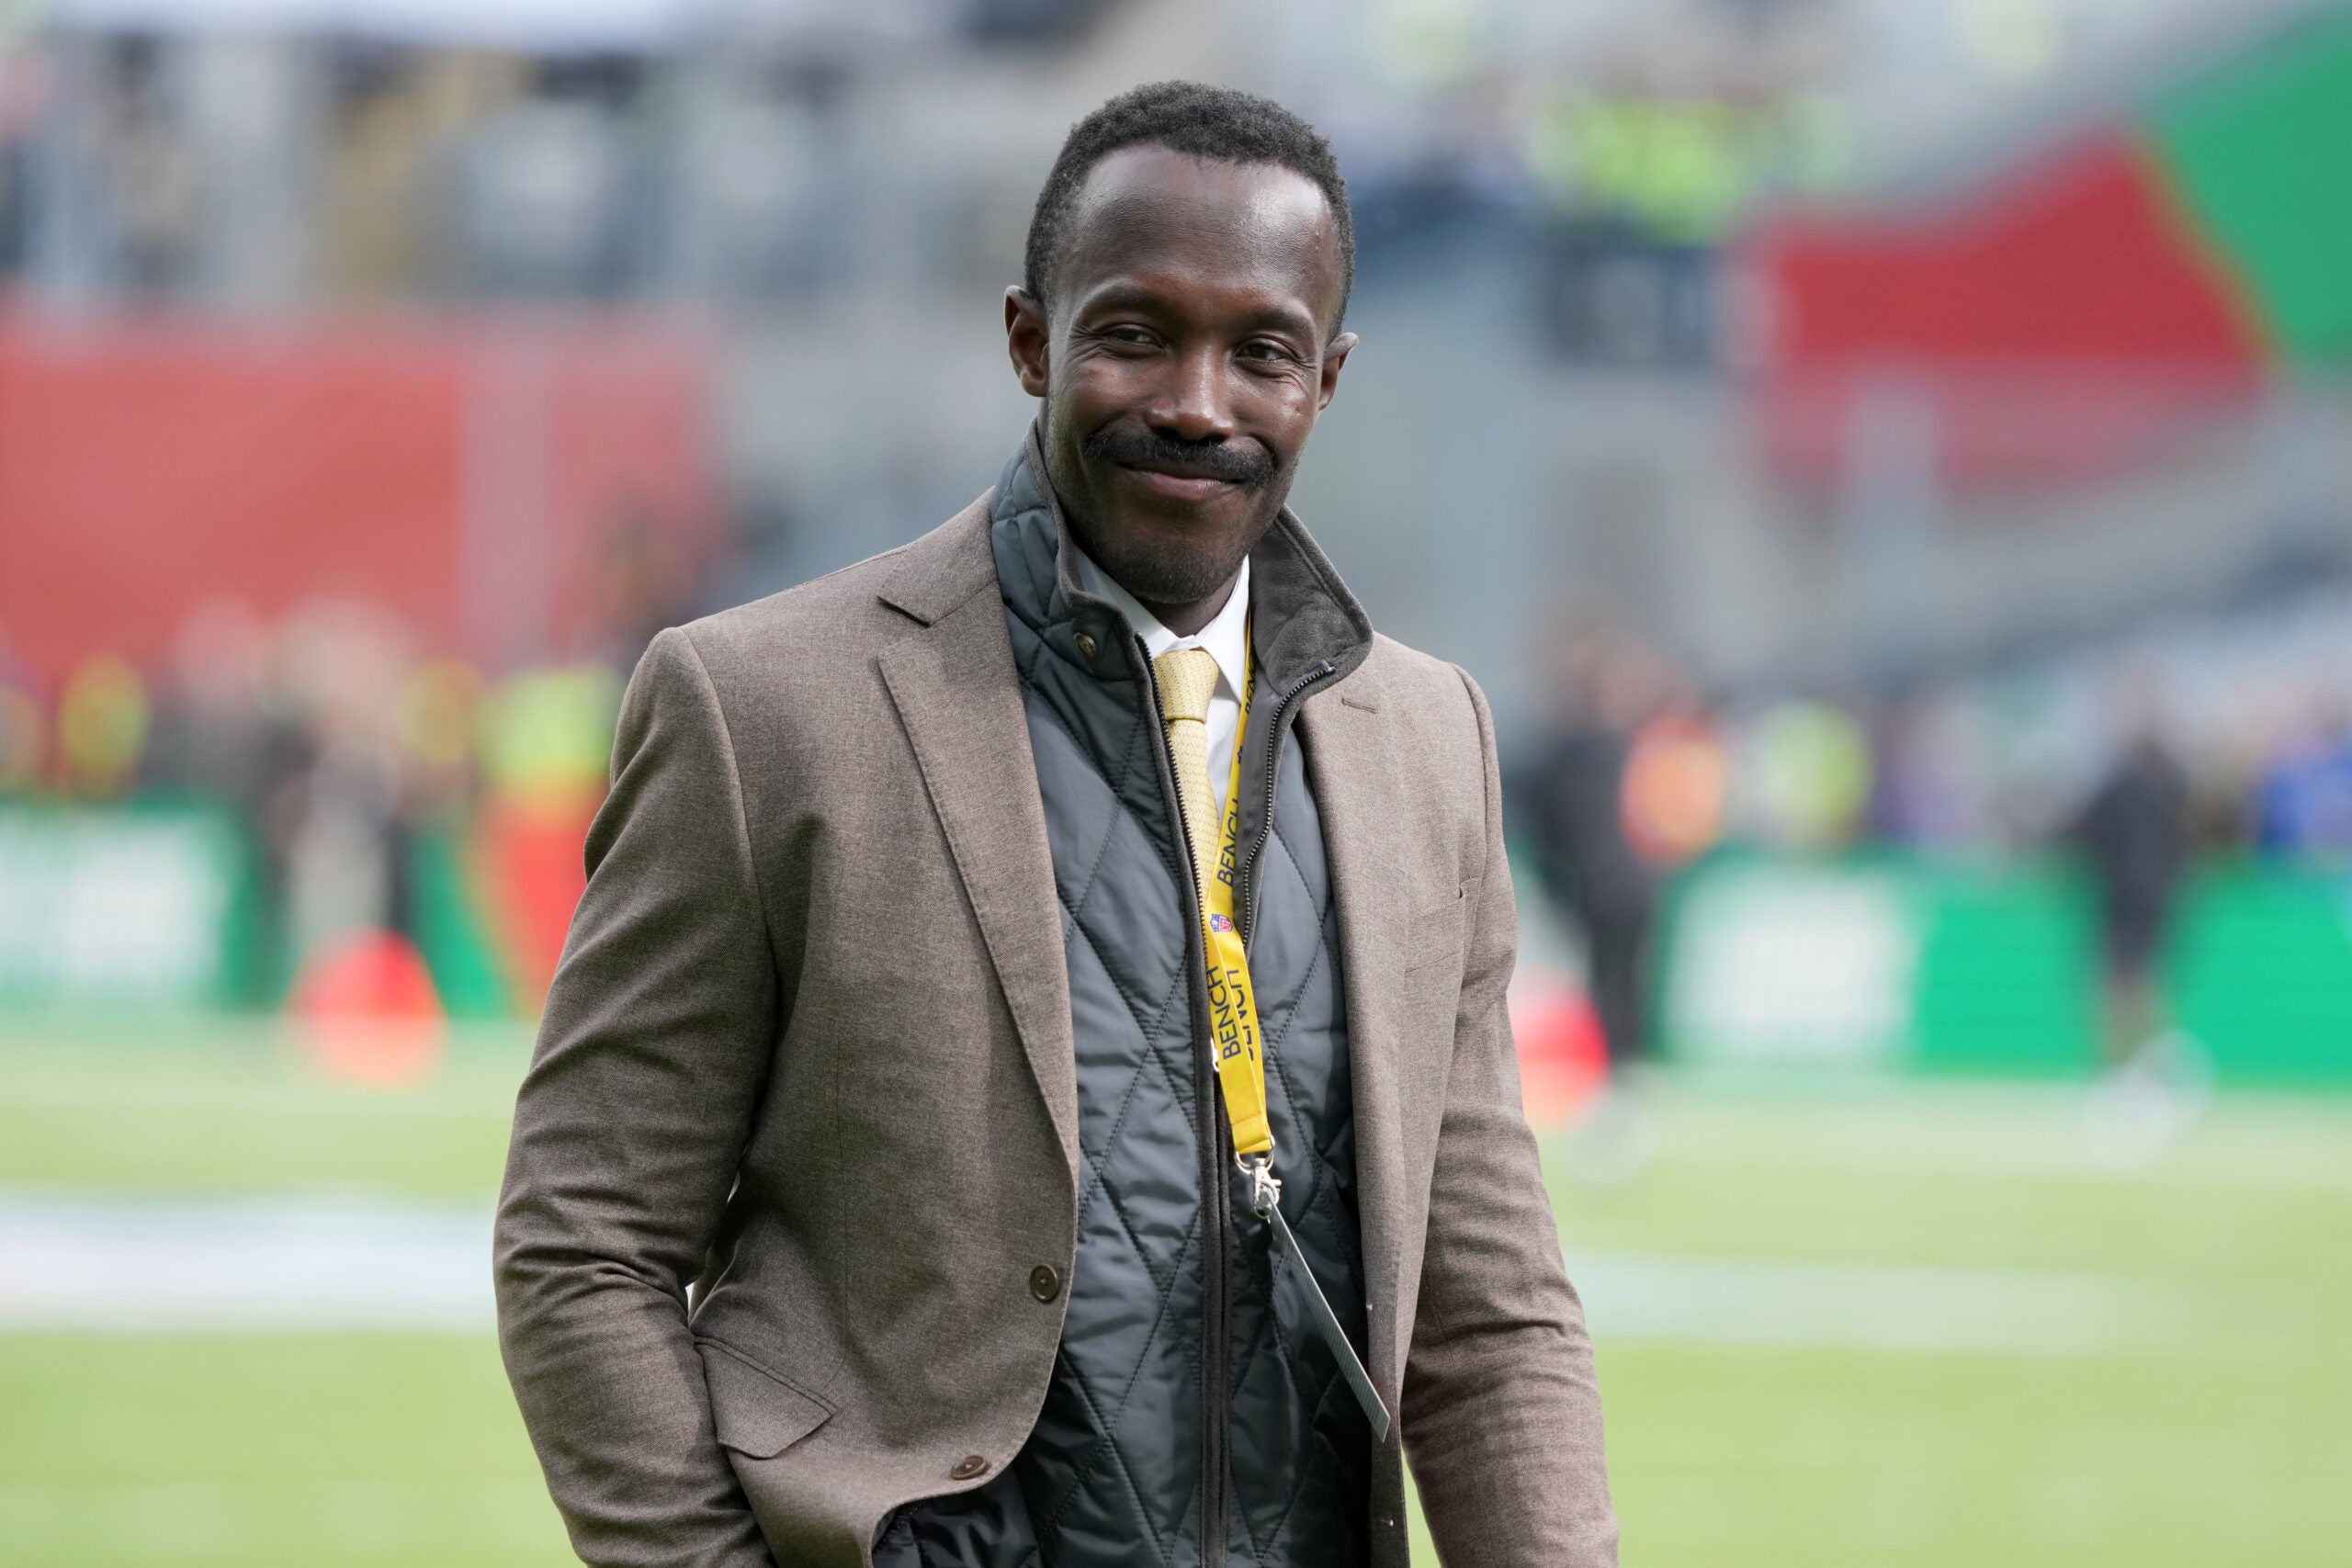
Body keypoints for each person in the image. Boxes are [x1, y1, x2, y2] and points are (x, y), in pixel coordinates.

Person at [494, 82, 1616, 1568]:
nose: (1198, 403)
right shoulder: (762, 706)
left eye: (1261, 352)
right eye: (1139, 331)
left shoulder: (1428, 741)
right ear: (1032, 337)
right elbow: (584, 1243)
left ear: (1327, 379)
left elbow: (1487, 1305)